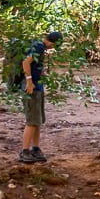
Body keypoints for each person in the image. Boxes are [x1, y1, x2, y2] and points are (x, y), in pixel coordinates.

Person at [19, 31, 62, 164]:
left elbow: (35, 65)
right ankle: (24, 151)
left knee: (37, 120)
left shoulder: (41, 47)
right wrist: (29, 81)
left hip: (38, 87)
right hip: (31, 88)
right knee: (32, 121)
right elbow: (26, 62)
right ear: (52, 42)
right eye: (55, 45)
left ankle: (35, 149)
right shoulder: (38, 46)